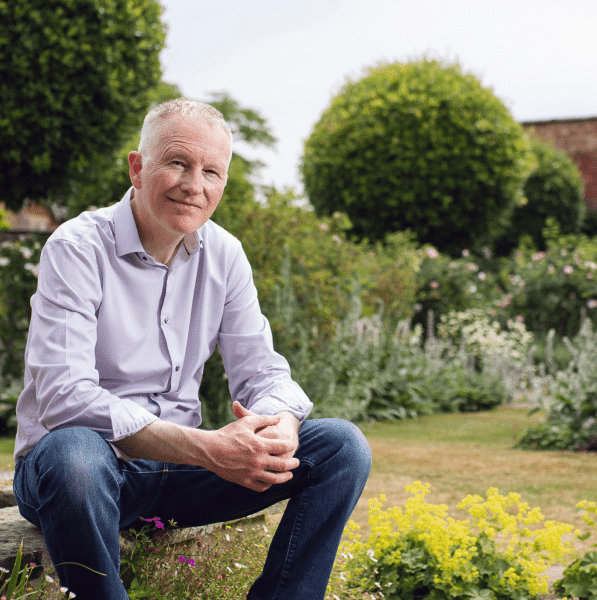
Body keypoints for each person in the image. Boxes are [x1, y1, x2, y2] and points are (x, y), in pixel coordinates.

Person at [12, 98, 371, 600]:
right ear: (138, 168)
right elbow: (64, 397)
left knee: (342, 447)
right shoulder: (77, 248)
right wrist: (209, 448)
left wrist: (280, 426)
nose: (193, 185)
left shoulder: (225, 254)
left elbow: (265, 374)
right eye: (178, 163)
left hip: (180, 474)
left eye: (211, 172)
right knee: (75, 454)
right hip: (79, 475)